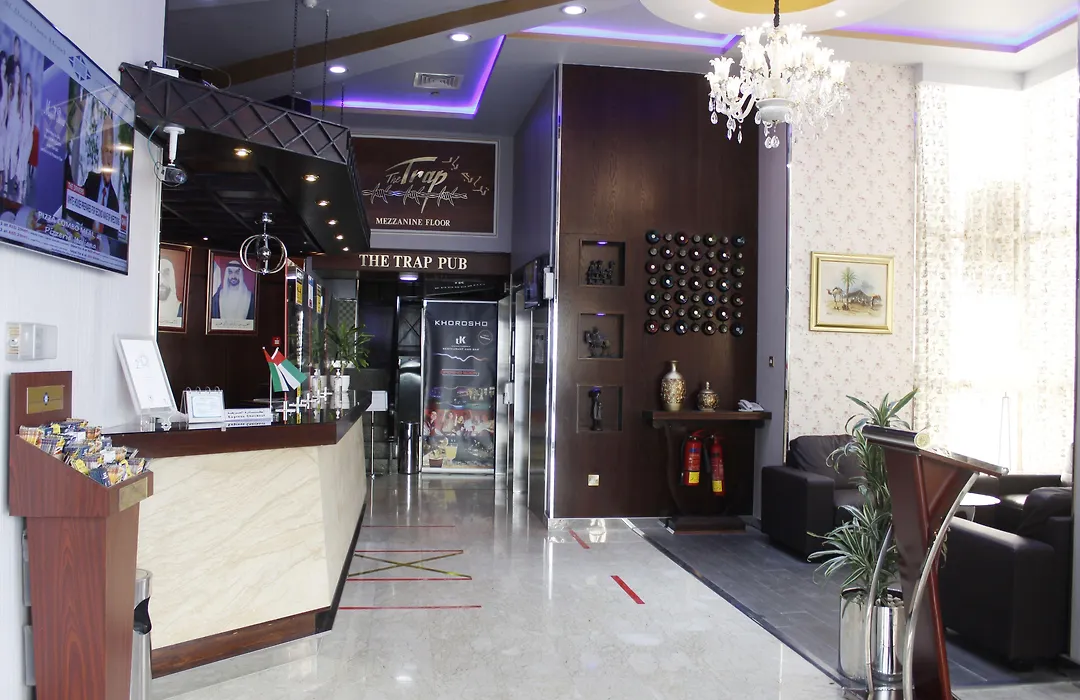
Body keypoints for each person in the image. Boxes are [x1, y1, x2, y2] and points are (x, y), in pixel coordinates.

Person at [158, 257, 183, 327]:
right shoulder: (144, 309)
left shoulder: (180, 309)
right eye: (159, 274)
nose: (162, 281)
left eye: (166, 274)